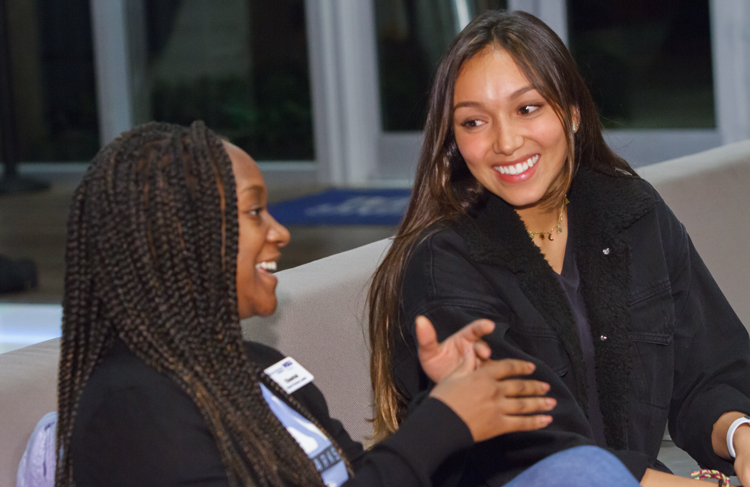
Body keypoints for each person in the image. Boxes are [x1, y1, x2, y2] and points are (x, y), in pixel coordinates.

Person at [51, 121, 640, 487]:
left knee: (583, 473)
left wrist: (448, 398)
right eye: (257, 212)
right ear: (183, 238)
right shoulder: (130, 408)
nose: (279, 232)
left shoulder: (255, 367)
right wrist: (442, 423)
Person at [368, 9, 750, 487]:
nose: (505, 142)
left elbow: (709, 372)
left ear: (571, 112)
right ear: (453, 141)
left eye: (527, 109)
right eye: (473, 122)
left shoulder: (631, 213)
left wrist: (741, 436)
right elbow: (520, 443)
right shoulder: (444, 260)